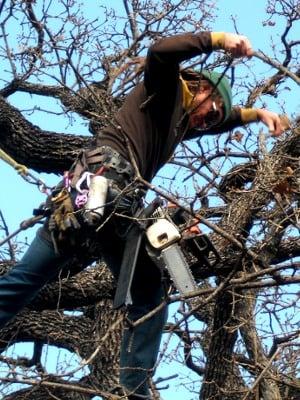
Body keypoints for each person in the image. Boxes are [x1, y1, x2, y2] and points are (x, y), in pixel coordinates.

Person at [0, 31, 284, 399]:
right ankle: (134, 389)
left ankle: (133, 390)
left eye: (213, 121)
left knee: (139, 294)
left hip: (102, 201)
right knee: (47, 279)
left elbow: (222, 118)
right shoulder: (166, 90)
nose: (208, 122)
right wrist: (218, 39)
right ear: (198, 88)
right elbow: (161, 52)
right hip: (102, 185)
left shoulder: (179, 123)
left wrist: (255, 114)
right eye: (210, 112)